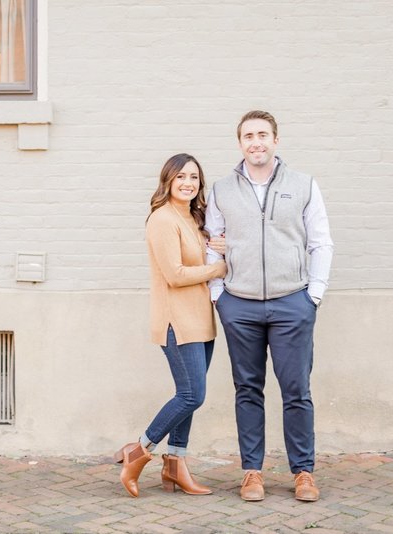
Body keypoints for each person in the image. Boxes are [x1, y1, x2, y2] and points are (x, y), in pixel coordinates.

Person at [205, 110, 333, 502]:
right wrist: (218, 294)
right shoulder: (221, 189)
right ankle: (252, 473)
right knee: (247, 389)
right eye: (248, 136)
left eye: (263, 134)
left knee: (297, 390)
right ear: (240, 143)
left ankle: (304, 473)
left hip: (291, 302)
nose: (256, 142)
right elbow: (212, 242)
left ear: (276, 140)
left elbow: (320, 242)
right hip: (239, 305)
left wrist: (313, 295)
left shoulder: (304, 185)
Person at [114, 153, 227, 498]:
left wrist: (217, 247)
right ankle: (138, 451)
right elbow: (175, 275)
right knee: (191, 395)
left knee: (190, 398)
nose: (188, 183)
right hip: (176, 321)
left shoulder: (193, 218)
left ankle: (175, 465)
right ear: (168, 181)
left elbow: (204, 255)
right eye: (181, 177)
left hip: (201, 321)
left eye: (194, 177)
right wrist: (218, 269)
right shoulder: (162, 220)